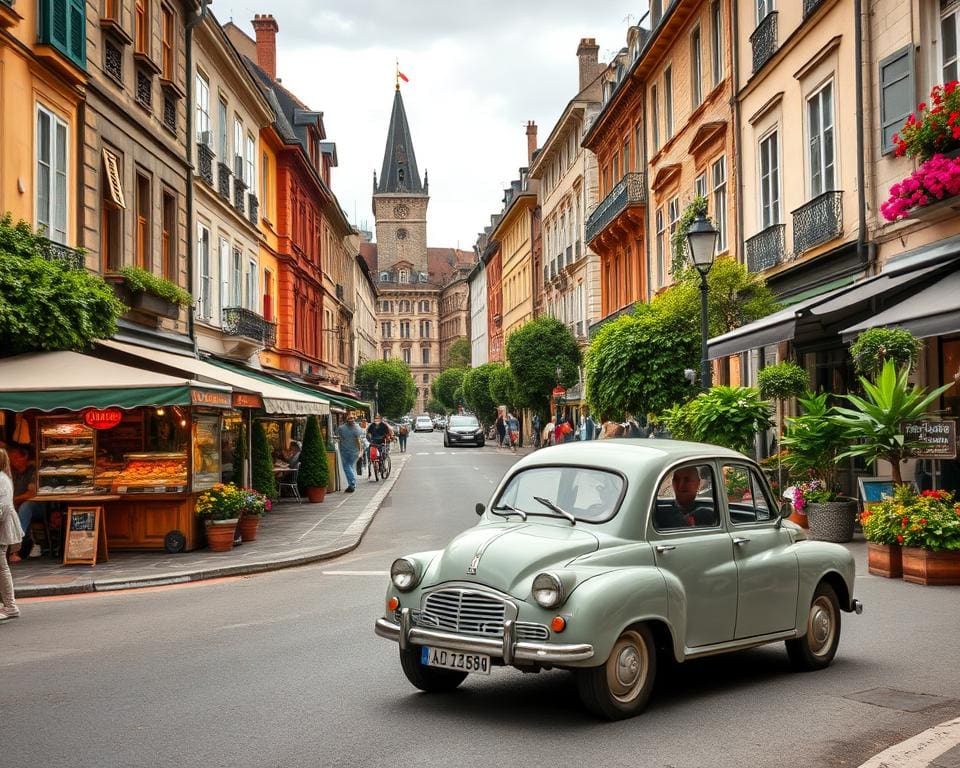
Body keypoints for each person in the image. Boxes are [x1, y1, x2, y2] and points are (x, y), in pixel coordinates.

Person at [9, 445, 44, 561]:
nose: (13, 461)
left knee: (25, 507)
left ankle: (16, 549)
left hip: (39, 506)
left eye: (16, 457)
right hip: (17, 505)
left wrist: (13, 500)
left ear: (25, 457)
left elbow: (31, 494)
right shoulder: (13, 473)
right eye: (11, 458)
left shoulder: (33, 471)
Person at [0, 448, 23, 621]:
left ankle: (10, 606)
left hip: (1, 528)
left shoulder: (1, 479)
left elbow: (3, 507)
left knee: (1, 567)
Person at [336, 414, 364, 493]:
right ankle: (350, 484)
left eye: (352, 418)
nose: (352, 419)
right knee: (350, 466)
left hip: (345, 450)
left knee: (347, 467)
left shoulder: (341, 428)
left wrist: (360, 450)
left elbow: (357, 440)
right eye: (351, 418)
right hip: (353, 451)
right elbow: (358, 440)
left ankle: (352, 483)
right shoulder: (357, 428)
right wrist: (360, 450)